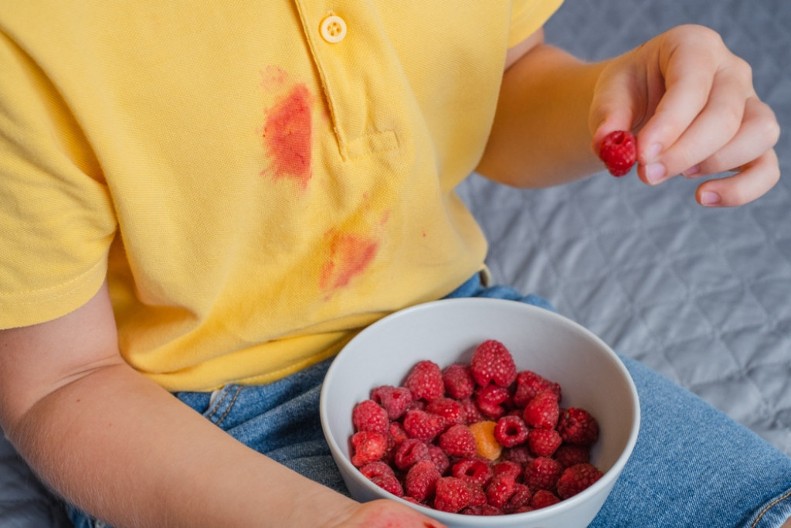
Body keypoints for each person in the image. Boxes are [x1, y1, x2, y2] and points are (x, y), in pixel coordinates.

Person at [0, 2, 788, 527]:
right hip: (195, 431)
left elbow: (503, 82)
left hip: (449, 328)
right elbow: (58, 383)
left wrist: (615, 101)